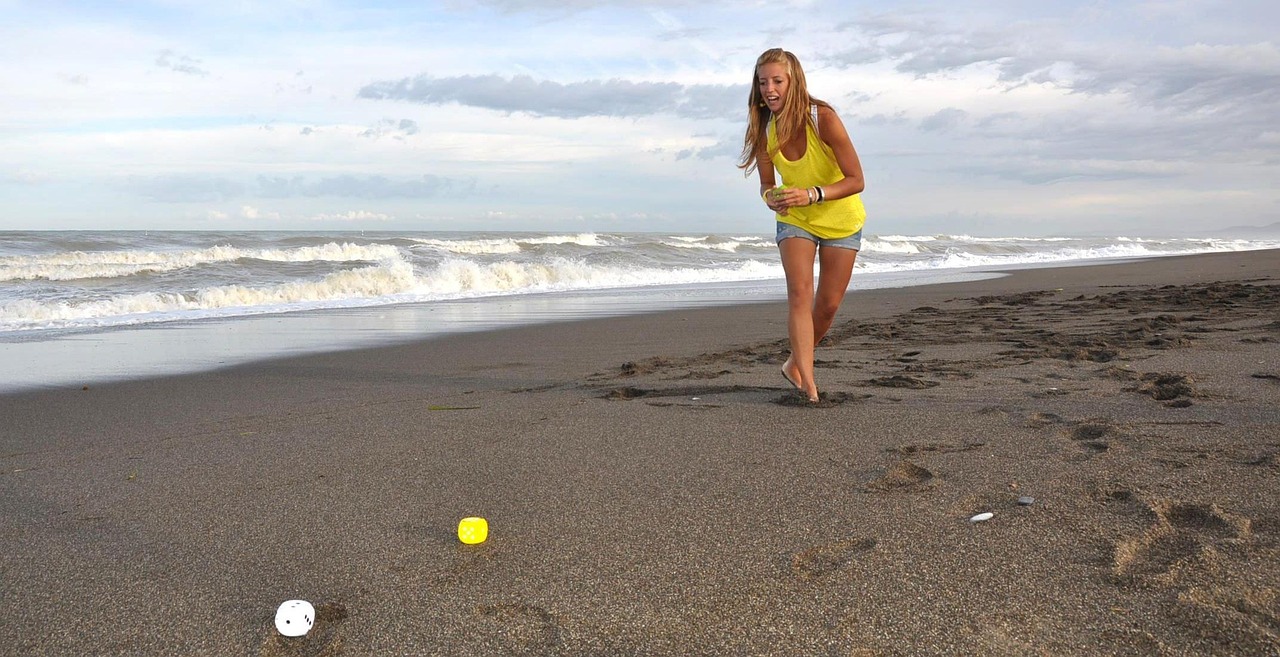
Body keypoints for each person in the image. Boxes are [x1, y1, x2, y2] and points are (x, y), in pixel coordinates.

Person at [739, 48, 867, 403]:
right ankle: (808, 385)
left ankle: (795, 363)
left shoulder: (822, 117)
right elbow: (766, 184)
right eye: (763, 82)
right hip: (795, 218)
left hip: (839, 217)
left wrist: (813, 194)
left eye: (777, 80)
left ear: (793, 81)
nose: (769, 89)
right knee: (799, 294)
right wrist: (771, 198)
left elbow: (856, 179)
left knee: (826, 306)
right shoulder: (764, 126)